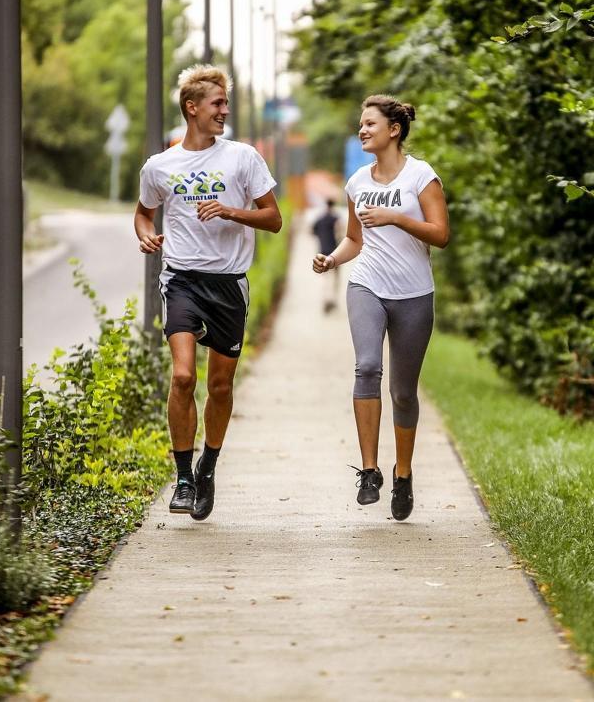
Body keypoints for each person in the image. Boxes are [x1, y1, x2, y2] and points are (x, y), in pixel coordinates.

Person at [135, 65, 281, 521]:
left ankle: (209, 466)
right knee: (183, 377)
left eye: (225, 103)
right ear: (191, 108)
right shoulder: (160, 166)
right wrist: (145, 235)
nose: (225, 110)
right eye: (217, 104)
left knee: (219, 385)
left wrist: (233, 212)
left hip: (229, 284)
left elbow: (273, 219)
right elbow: (143, 212)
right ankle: (182, 478)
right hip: (181, 279)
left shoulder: (242, 158)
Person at [312, 95, 449, 521]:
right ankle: (370, 471)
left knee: (404, 392)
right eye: (360, 124)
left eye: (370, 123)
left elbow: (440, 235)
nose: (362, 129)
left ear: (394, 130)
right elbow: (355, 239)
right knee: (367, 367)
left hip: (413, 293)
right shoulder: (357, 182)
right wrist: (333, 259)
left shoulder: (421, 177)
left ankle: (403, 473)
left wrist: (396, 219)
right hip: (367, 284)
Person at [311, 199, 341, 313]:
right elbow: (340, 232)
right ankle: (332, 299)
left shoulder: (319, 220)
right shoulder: (335, 218)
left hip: (322, 251)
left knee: (324, 277)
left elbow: (312, 231)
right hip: (335, 252)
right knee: (335, 277)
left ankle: (325, 299)